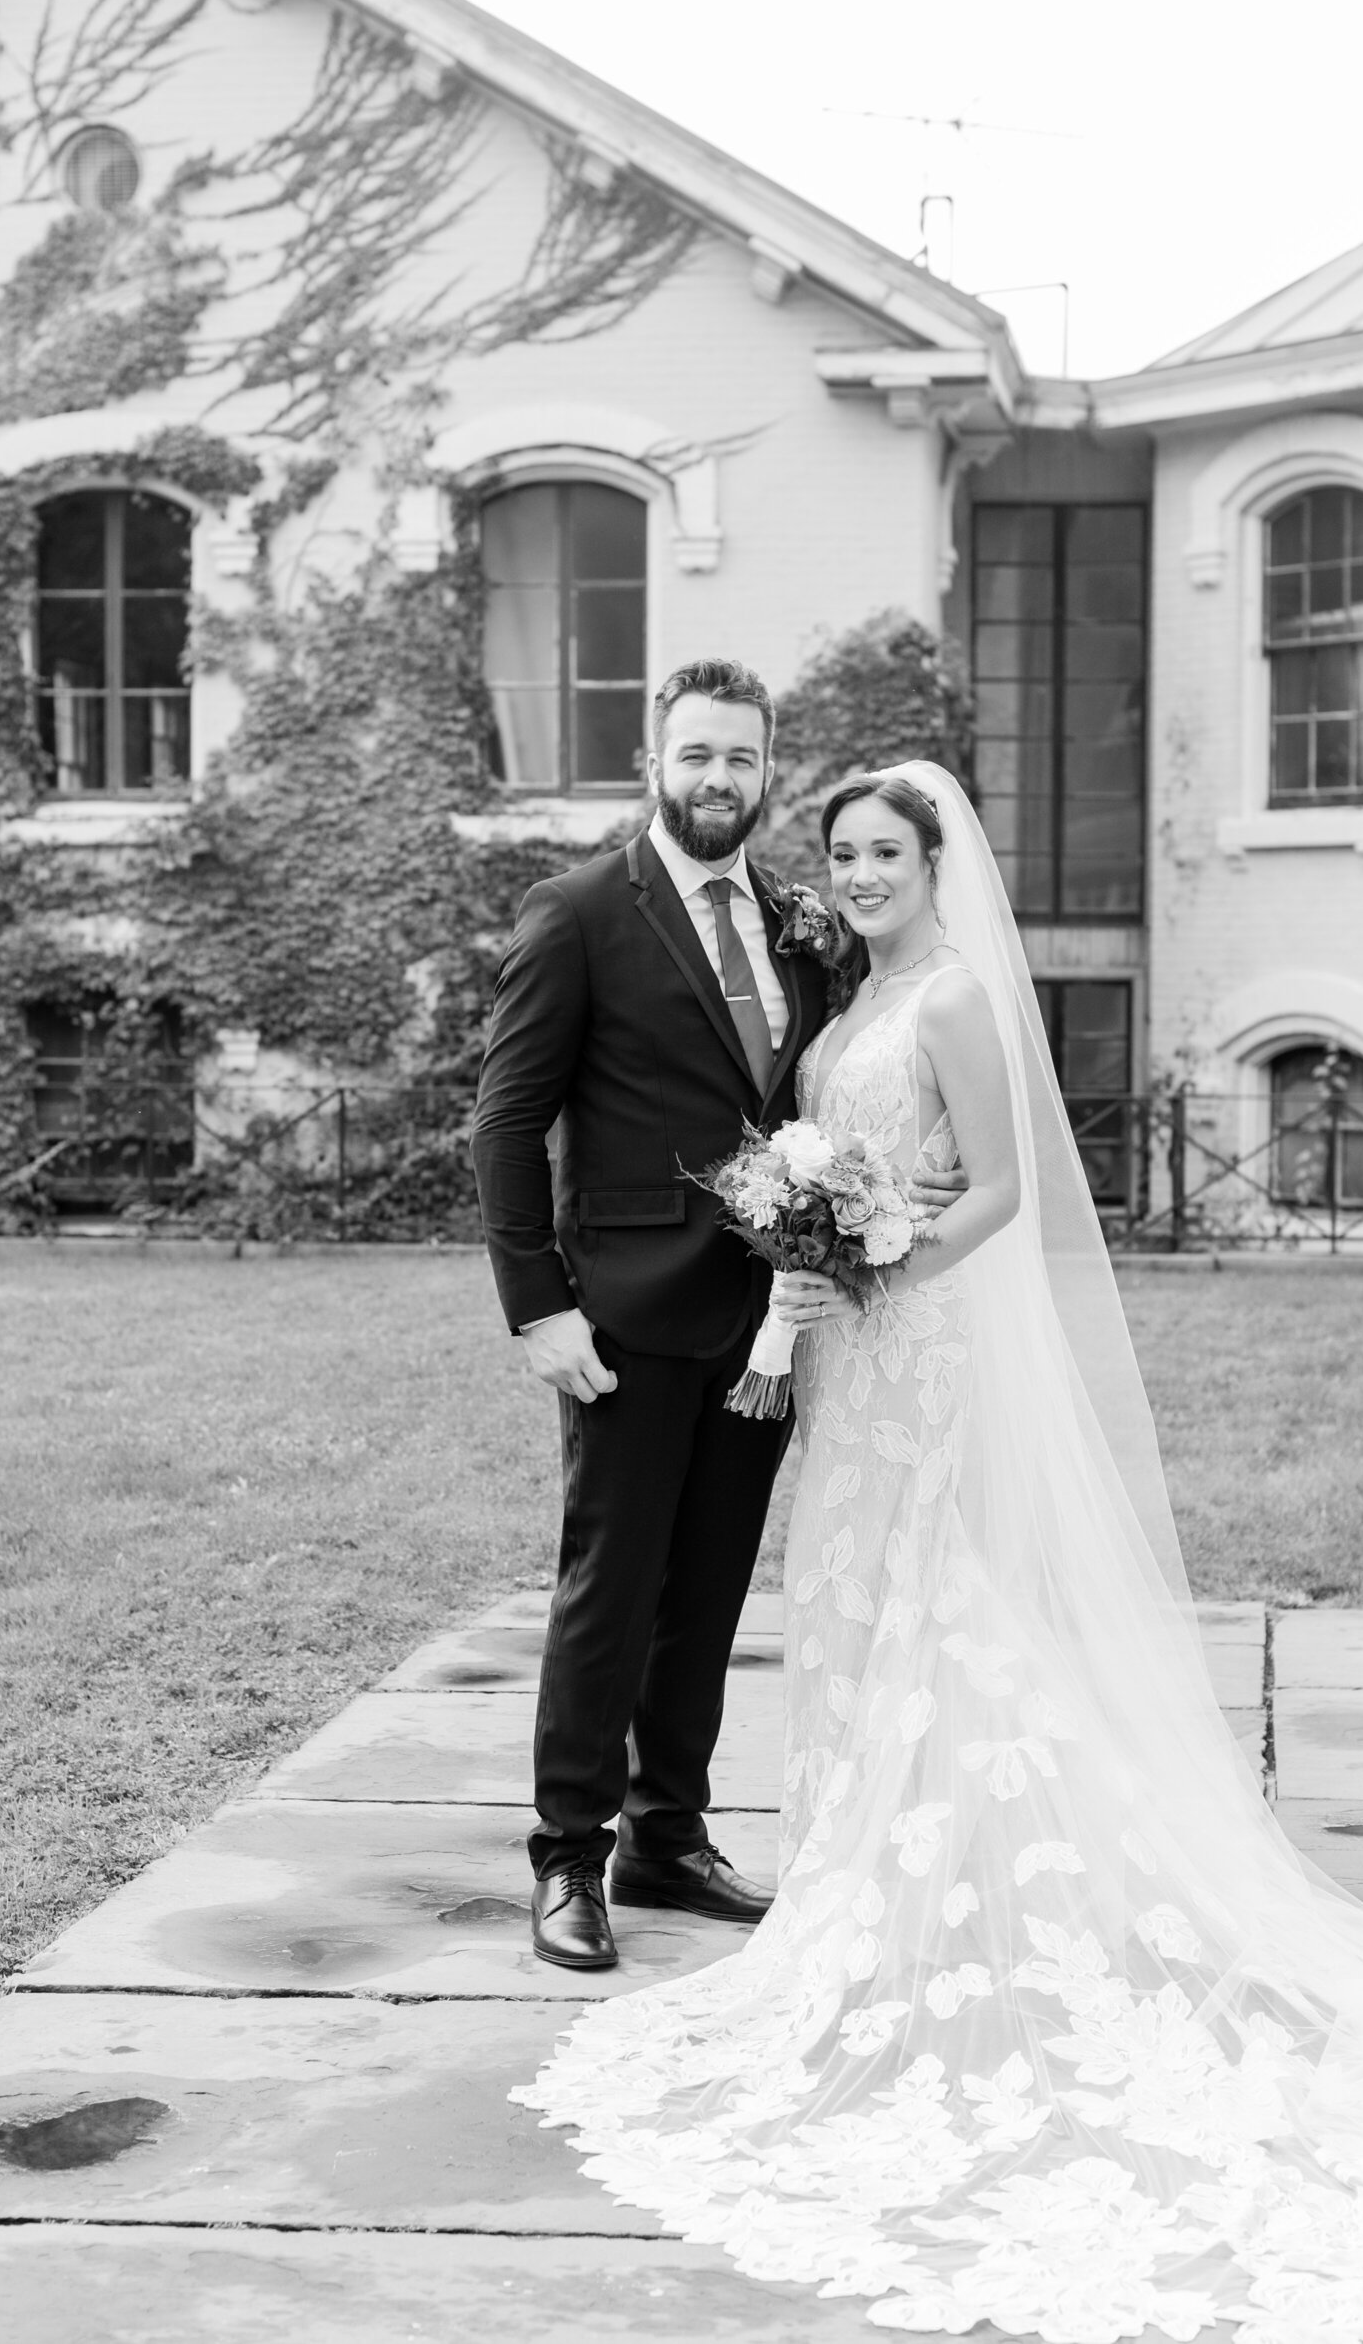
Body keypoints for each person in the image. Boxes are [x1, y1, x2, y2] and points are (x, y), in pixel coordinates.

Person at [513, 763, 1363, 2342]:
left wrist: (873, 1259)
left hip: (913, 1344)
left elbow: (1000, 1190)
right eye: (848, 852)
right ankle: (827, 1861)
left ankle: (963, 1880)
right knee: (857, 1600)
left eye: (890, 851)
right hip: (848, 1365)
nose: (862, 872)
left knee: (945, 1599)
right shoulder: (840, 986)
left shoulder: (949, 1001)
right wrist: (820, 1250)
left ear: (942, 860)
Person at [471, 662, 961, 1974]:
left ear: (765, 769)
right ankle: (569, 1855)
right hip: (621, 1320)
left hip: (774, 1322)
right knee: (609, 1589)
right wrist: (538, 1307)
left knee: (709, 1591)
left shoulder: (800, 925)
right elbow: (507, 1124)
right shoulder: (576, 913)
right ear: (657, 758)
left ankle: (667, 1837)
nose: (717, 780)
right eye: (697, 756)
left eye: (740, 760)